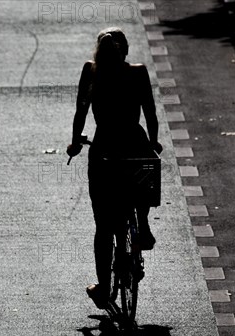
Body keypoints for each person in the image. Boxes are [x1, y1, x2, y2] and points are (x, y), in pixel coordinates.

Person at [66, 27, 163, 309]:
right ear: (126, 49)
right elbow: (151, 112)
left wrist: (75, 142)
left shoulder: (91, 70)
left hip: (105, 148)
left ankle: (104, 288)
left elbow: (81, 110)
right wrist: (154, 141)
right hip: (134, 141)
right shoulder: (138, 72)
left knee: (104, 224)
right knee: (141, 182)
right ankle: (141, 224)